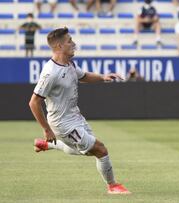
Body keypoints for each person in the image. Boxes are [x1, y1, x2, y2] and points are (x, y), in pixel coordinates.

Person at [29, 27, 130, 195]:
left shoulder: (69, 64)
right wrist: (47, 129)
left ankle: (48, 145)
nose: (73, 43)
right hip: (63, 124)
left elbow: (82, 76)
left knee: (83, 150)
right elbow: (34, 102)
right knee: (100, 149)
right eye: (69, 41)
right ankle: (113, 186)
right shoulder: (50, 73)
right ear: (60, 46)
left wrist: (103, 77)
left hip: (75, 117)